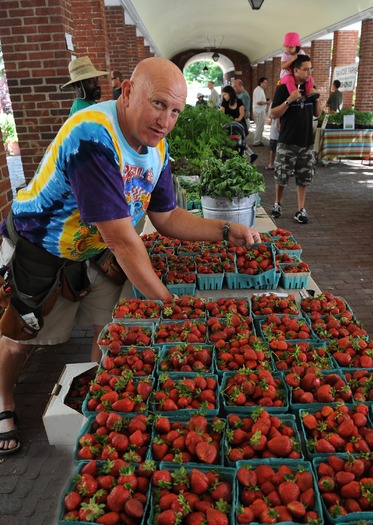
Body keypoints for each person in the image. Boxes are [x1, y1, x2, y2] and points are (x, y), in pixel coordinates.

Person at [0, 57, 260, 455]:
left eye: (175, 110)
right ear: (126, 91)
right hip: (43, 244)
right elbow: (123, 240)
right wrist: (169, 305)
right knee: (20, 337)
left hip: (94, 249)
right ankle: (3, 402)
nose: (166, 120)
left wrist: (225, 230)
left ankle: (99, 395)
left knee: (112, 329)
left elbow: (167, 216)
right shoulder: (92, 137)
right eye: (158, 104)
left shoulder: (156, 147)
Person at [270, 54, 322, 224]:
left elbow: (318, 114)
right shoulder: (283, 88)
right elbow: (274, 113)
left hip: (306, 142)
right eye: (305, 69)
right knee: (281, 176)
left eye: (310, 69)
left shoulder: (310, 88)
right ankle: (278, 203)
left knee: (304, 178)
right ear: (296, 70)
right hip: (287, 141)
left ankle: (300, 209)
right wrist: (289, 100)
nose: (309, 72)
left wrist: (317, 98)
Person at [220, 85, 257, 164]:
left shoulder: (239, 101)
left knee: (241, 141)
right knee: (230, 141)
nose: (224, 96)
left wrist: (238, 119)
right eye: (223, 95)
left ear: (230, 93)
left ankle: (246, 155)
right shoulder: (224, 103)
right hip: (228, 125)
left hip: (239, 124)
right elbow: (221, 114)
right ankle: (250, 154)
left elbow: (241, 113)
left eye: (225, 94)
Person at [280, 32, 314, 98]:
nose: (288, 49)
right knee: (289, 78)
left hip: (297, 75)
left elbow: (305, 64)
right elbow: (282, 66)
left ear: (296, 47)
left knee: (309, 77)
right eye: (286, 47)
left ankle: (310, 92)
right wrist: (291, 59)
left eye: (291, 47)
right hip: (286, 75)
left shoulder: (301, 52)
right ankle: (295, 95)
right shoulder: (285, 55)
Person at [252, 77, 270, 146]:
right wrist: (267, 102)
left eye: (266, 83)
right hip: (259, 110)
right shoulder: (258, 90)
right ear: (261, 83)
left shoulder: (260, 90)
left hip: (260, 110)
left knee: (260, 126)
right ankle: (256, 142)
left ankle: (258, 140)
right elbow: (258, 102)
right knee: (259, 126)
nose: (266, 84)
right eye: (265, 83)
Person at [265, 102, 279, 170]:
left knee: (273, 148)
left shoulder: (274, 102)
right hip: (277, 130)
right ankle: (272, 163)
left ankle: (271, 164)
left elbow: (270, 115)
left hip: (276, 131)